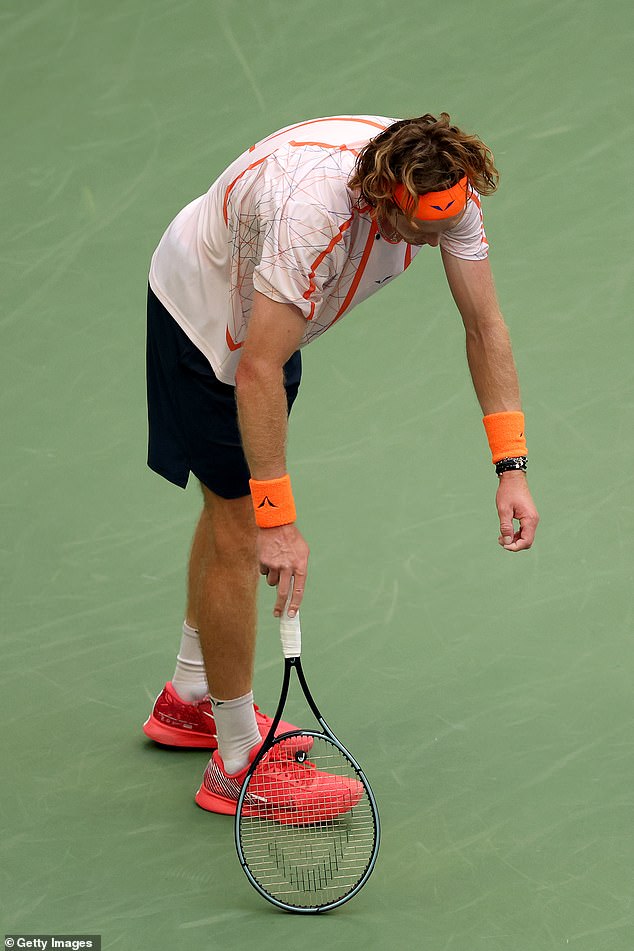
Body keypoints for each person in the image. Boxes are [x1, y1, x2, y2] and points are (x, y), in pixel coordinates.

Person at [142, 113, 540, 815]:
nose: (435, 237)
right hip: (209, 320)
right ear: (383, 195)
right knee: (241, 524)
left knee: (229, 503)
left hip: (272, 314)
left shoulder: (448, 195)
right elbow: (256, 368)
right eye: (420, 226)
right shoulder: (310, 219)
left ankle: (191, 695)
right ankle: (236, 762)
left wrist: (511, 464)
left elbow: (485, 324)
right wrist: (279, 521)